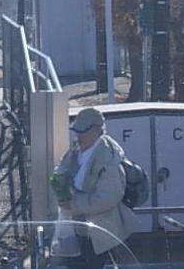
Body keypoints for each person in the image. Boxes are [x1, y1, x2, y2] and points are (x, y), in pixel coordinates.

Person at [50, 107, 137, 268]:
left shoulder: (108, 158)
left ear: (96, 131)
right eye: (76, 130)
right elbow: (61, 169)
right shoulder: (76, 150)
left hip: (97, 232)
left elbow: (109, 197)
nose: (78, 135)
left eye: (82, 131)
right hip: (76, 228)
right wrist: (59, 184)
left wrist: (74, 204)